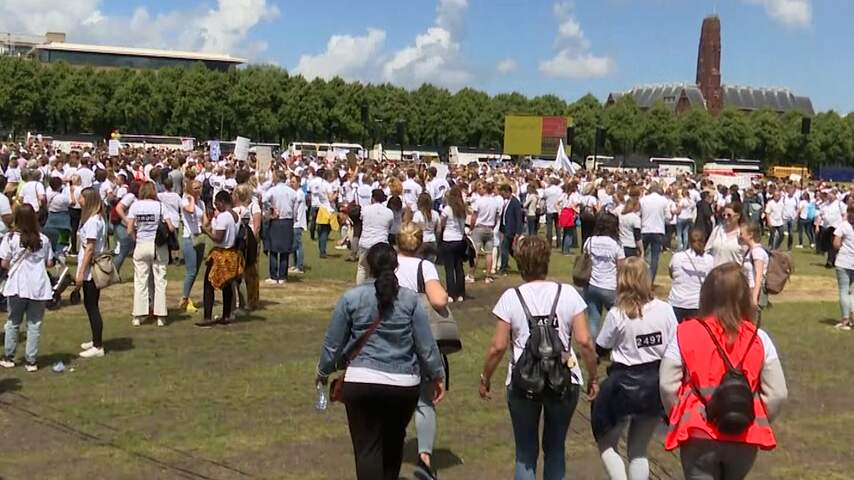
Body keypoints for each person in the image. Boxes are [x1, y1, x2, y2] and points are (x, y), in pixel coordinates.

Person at [315, 243, 446, 480]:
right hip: (404, 383)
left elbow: (333, 343)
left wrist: (323, 372)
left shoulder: (351, 298)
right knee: (393, 445)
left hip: (362, 380)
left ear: (368, 266)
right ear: (395, 266)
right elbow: (426, 344)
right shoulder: (410, 299)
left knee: (367, 449)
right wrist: (437, 374)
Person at [478, 235, 598, 480]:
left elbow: (498, 346)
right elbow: (585, 341)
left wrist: (485, 378)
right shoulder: (568, 293)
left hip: (523, 380)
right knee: (555, 449)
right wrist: (593, 377)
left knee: (525, 452)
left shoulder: (511, 297)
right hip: (563, 377)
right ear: (547, 260)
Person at [660, 263, 788, 480]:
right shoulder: (759, 338)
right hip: (743, 432)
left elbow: (667, 385)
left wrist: (678, 413)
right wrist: (754, 414)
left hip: (697, 430)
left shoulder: (684, 333)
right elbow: (778, 393)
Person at [593, 257, 678, 480]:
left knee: (606, 444)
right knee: (638, 451)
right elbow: (675, 347)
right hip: (654, 387)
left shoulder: (617, 314)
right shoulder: (665, 310)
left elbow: (600, 348)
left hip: (621, 387)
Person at [395, 223, 449, 480]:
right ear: (419, 245)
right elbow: (438, 299)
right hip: (417, 335)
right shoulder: (424, 267)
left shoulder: (388, 263)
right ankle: (424, 457)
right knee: (424, 398)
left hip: (390, 332)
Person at [0, 205, 54, 371]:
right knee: (34, 324)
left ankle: (9, 357)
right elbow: (49, 263)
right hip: (38, 285)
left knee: (13, 322)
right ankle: (31, 361)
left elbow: (4, 263)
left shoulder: (10, 238)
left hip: (17, 284)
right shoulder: (43, 239)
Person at [126, 181, 175, 327]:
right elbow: (171, 227)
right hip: (158, 246)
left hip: (141, 244)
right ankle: (160, 316)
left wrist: (136, 239)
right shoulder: (160, 206)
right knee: (160, 281)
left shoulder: (135, 206)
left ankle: (138, 315)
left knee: (140, 281)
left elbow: (129, 229)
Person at [196, 190, 242, 328]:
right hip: (231, 253)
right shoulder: (235, 216)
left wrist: (205, 231)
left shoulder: (223, 217)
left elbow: (218, 238)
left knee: (209, 284)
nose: (216, 206)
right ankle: (226, 315)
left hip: (221, 255)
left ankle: (207, 317)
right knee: (226, 285)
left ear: (222, 202)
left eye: (217, 203)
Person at [75, 188, 108, 358]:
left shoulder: (94, 221)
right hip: (88, 267)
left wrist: (81, 272)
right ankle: (95, 339)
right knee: (90, 305)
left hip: (91, 270)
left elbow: (90, 248)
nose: (78, 199)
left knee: (92, 306)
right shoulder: (93, 219)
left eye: (81, 197)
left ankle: (98, 346)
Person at [584, 213, 626, 338]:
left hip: (592, 285)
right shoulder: (616, 244)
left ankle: (592, 346)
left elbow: (585, 261)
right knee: (619, 318)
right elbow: (621, 268)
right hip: (610, 286)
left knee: (593, 320)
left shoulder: (590, 241)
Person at [668, 228, 715, 323]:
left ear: (689, 240)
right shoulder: (710, 260)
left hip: (677, 302)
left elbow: (671, 274)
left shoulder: (677, 257)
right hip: (697, 304)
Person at [262, 170, 297, 284]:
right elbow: (295, 208)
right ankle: (282, 276)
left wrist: (272, 208)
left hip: (276, 220)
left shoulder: (273, 190)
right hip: (288, 220)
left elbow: (264, 200)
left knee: (273, 249)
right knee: (284, 250)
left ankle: (273, 276)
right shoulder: (292, 192)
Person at [356, 189, 393, 284]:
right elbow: (389, 226)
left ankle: (359, 288)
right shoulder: (389, 212)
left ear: (372, 198)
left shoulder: (365, 209)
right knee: (380, 269)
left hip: (366, 242)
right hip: (381, 244)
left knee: (362, 268)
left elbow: (361, 219)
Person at [179, 179, 205, 312]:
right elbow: (190, 210)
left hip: (199, 237)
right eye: (195, 188)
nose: (198, 190)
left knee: (196, 270)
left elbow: (204, 219)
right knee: (191, 270)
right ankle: (184, 298)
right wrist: (192, 198)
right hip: (189, 237)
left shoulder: (201, 203)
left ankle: (186, 296)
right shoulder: (185, 200)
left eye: (199, 187)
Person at [438, 187, 468, 302]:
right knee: (459, 267)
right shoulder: (462, 209)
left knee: (449, 269)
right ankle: (461, 293)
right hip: (459, 240)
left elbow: (442, 223)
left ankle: (451, 294)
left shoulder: (447, 209)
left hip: (448, 239)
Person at [469, 182, 501, 284]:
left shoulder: (479, 201)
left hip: (479, 227)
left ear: (485, 189)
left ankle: (471, 275)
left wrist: (471, 227)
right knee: (489, 253)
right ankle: (488, 276)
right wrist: (493, 226)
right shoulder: (495, 202)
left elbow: (474, 216)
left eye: (481, 188)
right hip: (489, 228)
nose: (479, 190)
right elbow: (496, 217)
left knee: (475, 253)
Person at [831, 204, 854, 330]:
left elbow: (836, 244)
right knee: (850, 291)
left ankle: (845, 319)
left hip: (844, 261)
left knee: (844, 290)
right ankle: (852, 315)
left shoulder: (844, 225)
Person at [640, 182, 669, 281]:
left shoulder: (643, 200)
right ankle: (650, 280)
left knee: (640, 255)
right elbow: (668, 217)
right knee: (655, 258)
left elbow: (639, 214)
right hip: (658, 230)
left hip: (645, 229)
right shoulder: (664, 200)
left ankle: (639, 277)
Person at [740, 222, 768, 319]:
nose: (740, 236)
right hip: (747, 290)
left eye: (742, 234)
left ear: (750, 235)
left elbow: (759, 276)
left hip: (753, 290)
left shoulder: (757, 252)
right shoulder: (749, 251)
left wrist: (754, 297)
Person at [705, 201, 744, 267]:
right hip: (715, 271)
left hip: (733, 272)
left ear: (737, 216)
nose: (726, 217)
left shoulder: (742, 234)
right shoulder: (717, 230)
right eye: (724, 215)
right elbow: (707, 250)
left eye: (729, 215)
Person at [498, 183, 523, 274]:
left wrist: (518, 232)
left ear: (508, 192)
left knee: (504, 248)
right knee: (511, 251)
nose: (502, 196)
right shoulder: (507, 202)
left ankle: (503, 268)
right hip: (506, 228)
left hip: (511, 230)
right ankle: (522, 265)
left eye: (503, 194)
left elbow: (519, 218)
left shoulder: (515, 202)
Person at [412, 192, 439, 263]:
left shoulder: (417, 214)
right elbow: (438, 230)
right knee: (430, 265)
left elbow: (414, 228)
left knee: (419, 263)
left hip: (422, 241)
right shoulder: (435, 214)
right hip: (432, 240)